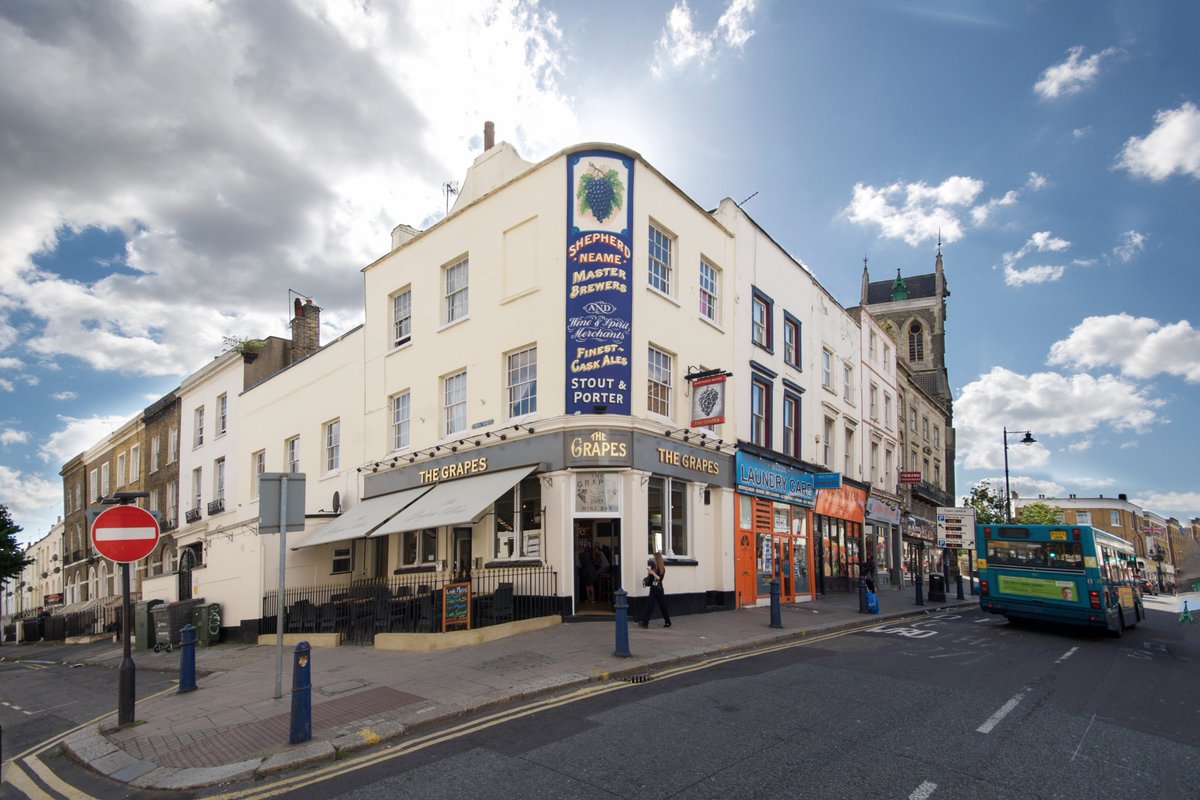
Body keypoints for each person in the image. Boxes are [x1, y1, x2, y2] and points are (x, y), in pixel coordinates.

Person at [639, 552, 671, 628]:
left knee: (662, 606)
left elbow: (660, 579)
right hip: (653, 588)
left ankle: (668, 621)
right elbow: (651, 576)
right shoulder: (653, 565)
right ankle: (645, 623)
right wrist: (649, 572)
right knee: (649, 606)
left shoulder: (661, 568)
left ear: (657, 559)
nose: (652, 559)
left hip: (659, 589)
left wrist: (652, 573)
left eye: (654, 558)